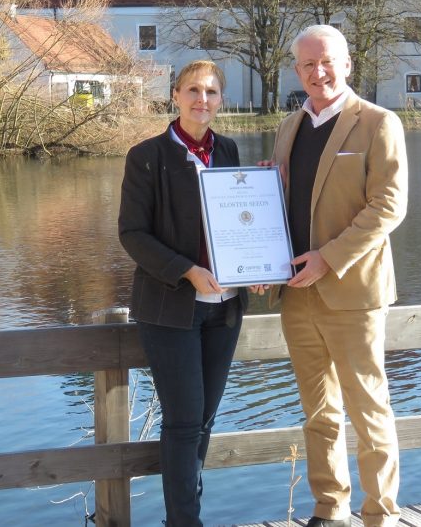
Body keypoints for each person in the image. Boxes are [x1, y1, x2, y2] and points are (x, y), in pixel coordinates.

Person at [269, 25, 408, 527]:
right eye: (307, 65)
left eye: (326, 61)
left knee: (369, 411)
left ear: (348, 64)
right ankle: (331, 509)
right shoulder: (288, 128)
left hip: (353, 292)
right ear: (297, 70)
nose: (318, 72)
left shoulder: (377, 123)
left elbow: (389, 206)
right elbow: (285, 203)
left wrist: (328, 257)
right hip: (297, 296)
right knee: (319, 414)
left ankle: (380, 513)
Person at [118, 60, 249, 526]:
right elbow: (132, 234)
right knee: (183, 423)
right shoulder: (147, 156)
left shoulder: (230, 151)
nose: (202, 100)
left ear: (221, 99)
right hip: (170, 308)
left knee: (205, 422)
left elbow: (241, 223)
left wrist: (255, 263)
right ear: (174, 95)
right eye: (193, 90)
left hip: (225, 309)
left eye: (211, 92)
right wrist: (188, 271)